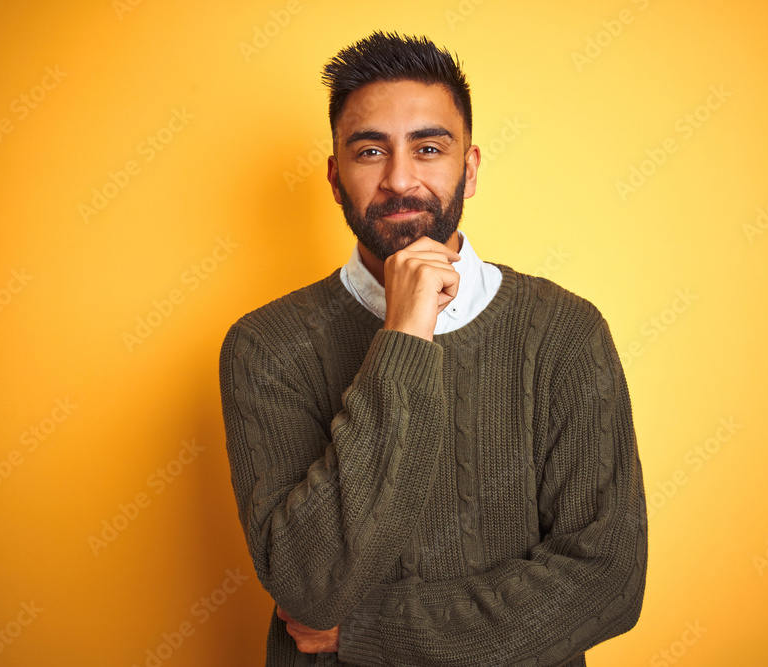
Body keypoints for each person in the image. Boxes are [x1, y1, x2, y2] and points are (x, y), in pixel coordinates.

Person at [219, 30, 648, 666]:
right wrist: (404, 336)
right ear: (336, 179)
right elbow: (312, 588)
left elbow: (607, 582)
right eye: (370, 151)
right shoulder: (266, 346)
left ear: (468, 170)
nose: (400, 180)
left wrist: (367, 632)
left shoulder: (564, 331)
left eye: (428, 148)